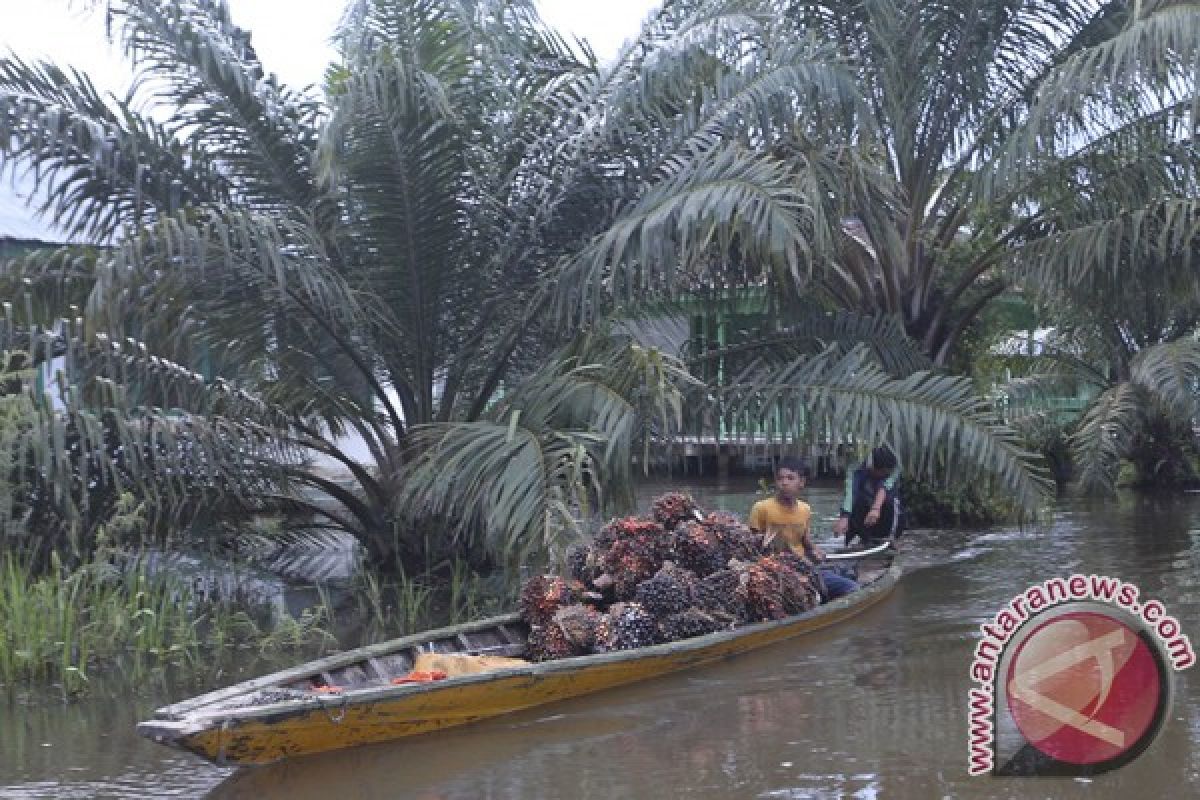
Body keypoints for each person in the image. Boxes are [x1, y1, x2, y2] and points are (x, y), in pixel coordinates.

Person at [748, 456, 858, 600]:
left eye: (790, 478)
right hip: (776, 570)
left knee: (851, 586)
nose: (784, 483)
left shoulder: (805, 509)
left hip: (803, 567)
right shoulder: (762, 508)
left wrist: (816, 551)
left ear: (802, 482)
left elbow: (805, 542)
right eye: (780, 478)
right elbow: (751, 546)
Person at [832, 446, 902, 548]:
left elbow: (885, 487)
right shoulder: (855, 467)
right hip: (865, 500)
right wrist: (844, 517)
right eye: (882, 471)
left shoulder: (895, 466)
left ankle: (890, 537)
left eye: (886, 472)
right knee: (855, 502)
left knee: (891, 501)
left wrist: (875, 508)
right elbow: (850, 493)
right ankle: (861, 538)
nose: (884, 474)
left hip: (885, 503)